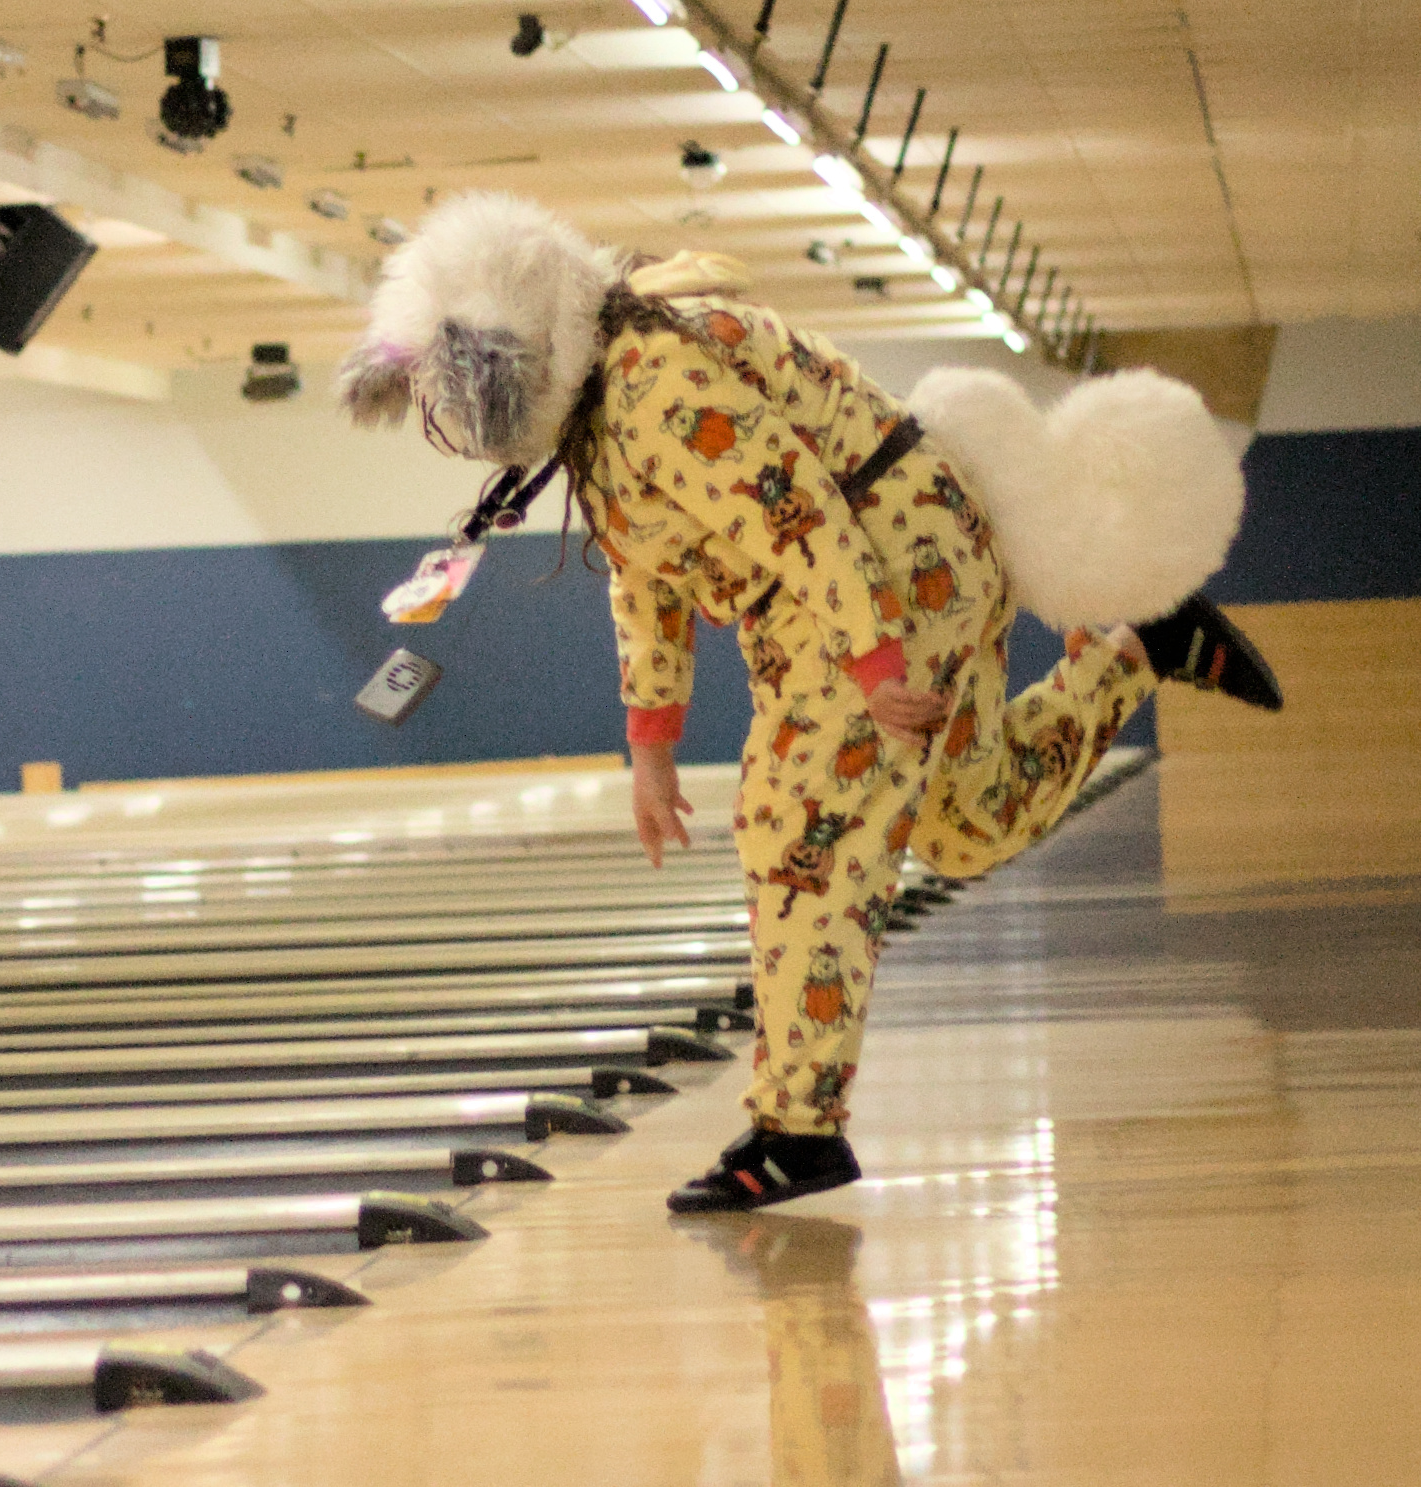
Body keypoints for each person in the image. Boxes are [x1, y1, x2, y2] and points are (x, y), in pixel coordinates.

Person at [339, 193, 1281, 1212]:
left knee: (798, 832)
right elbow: (644, 578)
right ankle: (1142, 648)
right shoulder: (604, 404)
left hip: (881, 568)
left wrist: (873, 660)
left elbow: (796, 510)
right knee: (968, 821)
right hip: (890, 564)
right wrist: (649, 746)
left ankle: (798, 1130)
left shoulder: (653, 383)